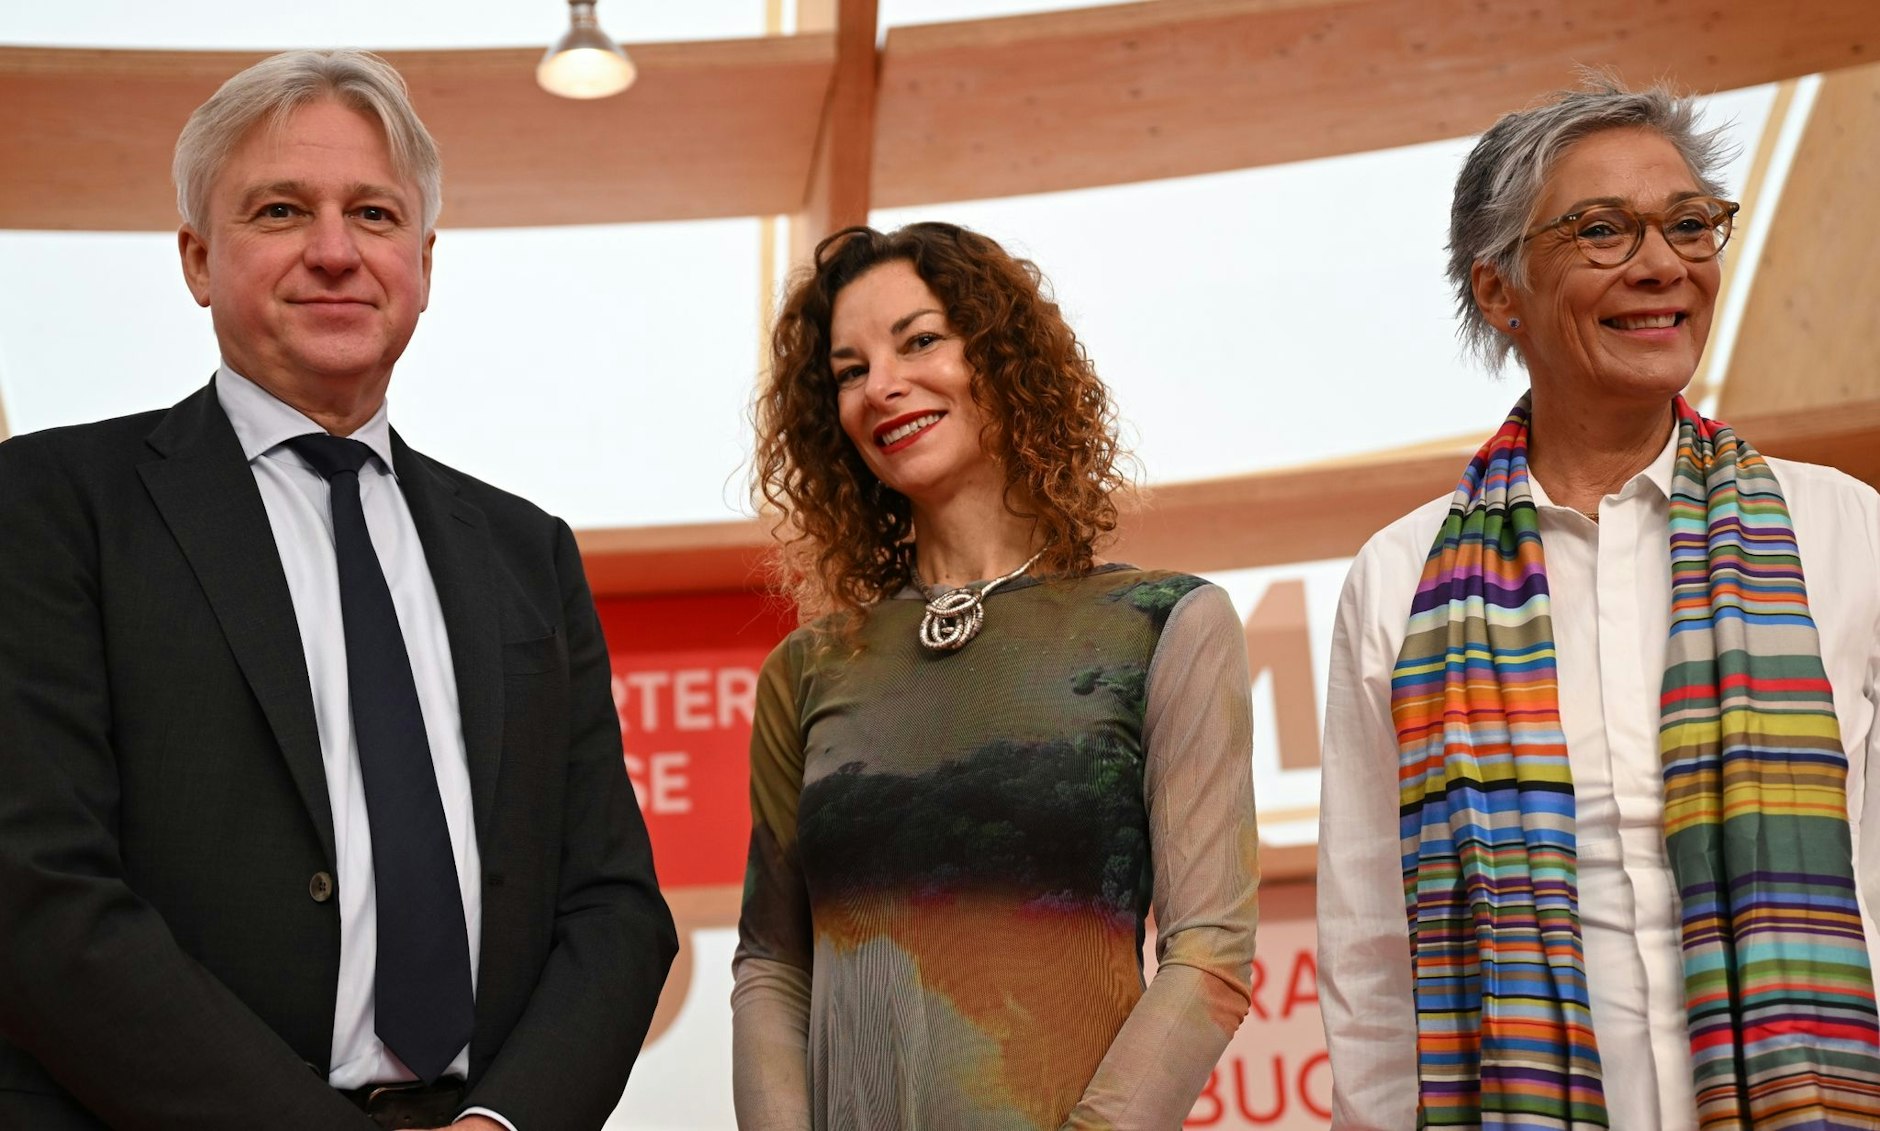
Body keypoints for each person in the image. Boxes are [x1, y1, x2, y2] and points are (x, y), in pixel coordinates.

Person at [0, 50, 676, 1130]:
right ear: (197, 260)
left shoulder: (525, 550)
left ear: (422, 259)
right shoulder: (47, 505)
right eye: (279, 210)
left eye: (372, 212)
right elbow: (33, 887)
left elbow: (614, 908)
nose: (333, 252)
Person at [1317, 77, 1880, 1129]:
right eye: (1601, 231)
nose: (1662, 265)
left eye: (1686, 223)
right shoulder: (1397, 582)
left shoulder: (1844, 532)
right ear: (1498, 292)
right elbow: (1370, 962)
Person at [732, 221, 1259, 1129]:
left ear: (1004, 356)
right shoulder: (808, 670)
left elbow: (1208, 953)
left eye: (920, 340)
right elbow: (772, 965)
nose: (882, 386)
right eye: (849, 370)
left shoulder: (1166, 624)